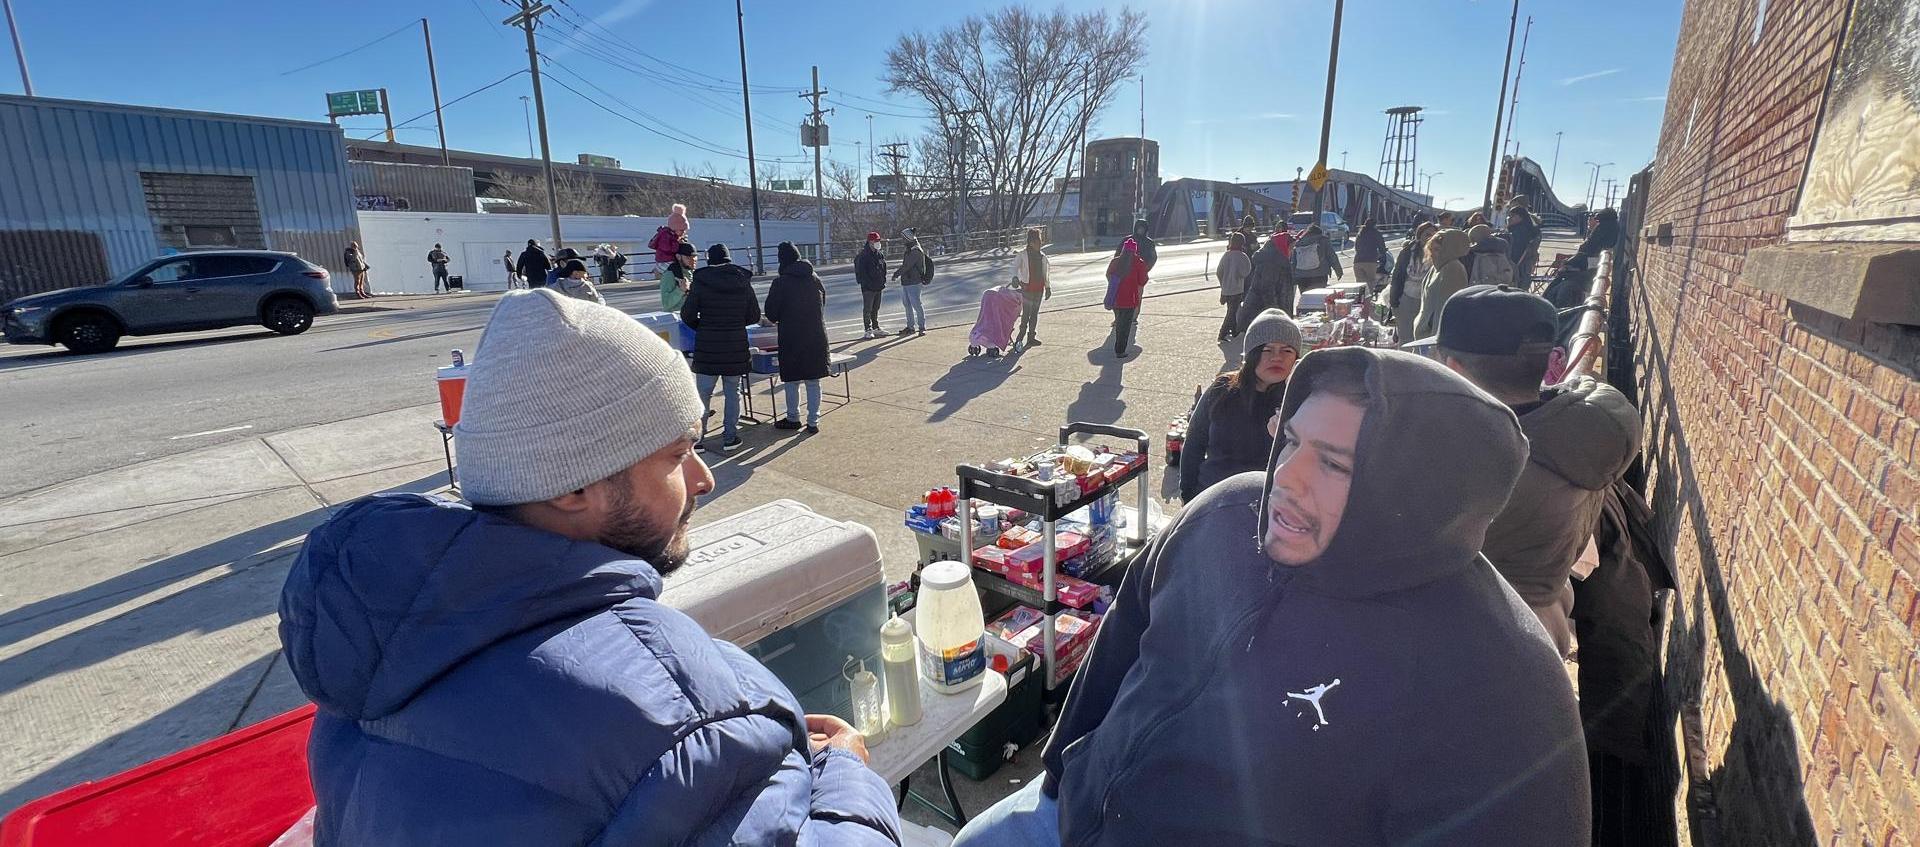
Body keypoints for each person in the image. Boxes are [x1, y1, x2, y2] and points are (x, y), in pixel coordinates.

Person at [281, 289, 902, 846]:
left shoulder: (367, 657)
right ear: (573, 485)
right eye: (677, 454)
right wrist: (846, 772)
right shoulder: (680, 721)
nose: (703, 478)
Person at [950, 346, 1589, 847]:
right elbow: (1121, 637)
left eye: (1334, 464)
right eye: (1292, 441)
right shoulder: (1224, 515)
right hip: (1064, 812)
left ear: (1417, 496)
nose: (1286, 477)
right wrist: (1063, 773)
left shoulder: (1498, 682)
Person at [1432, 285, 1641, 656]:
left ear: (1453, 368)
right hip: (1544, 626)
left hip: (1474, 642)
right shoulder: (1581, 432)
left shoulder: (1472, 465)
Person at [1179, 309, 1299, 502]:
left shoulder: (1298, 400)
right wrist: (1189, 497)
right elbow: (1194, 444)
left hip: (1267, 504)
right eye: (1267, 349)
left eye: (1287, 350)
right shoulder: (1223, 388)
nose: (1277, 357)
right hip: (1211, 498)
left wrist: (1286, 437)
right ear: (1251, 354)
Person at [682, 244, 760, 453]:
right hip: (735, 346)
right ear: (728, 259)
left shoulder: (701, 281)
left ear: (709, 260)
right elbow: (754, 315)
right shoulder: (742, 280)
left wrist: (703, 327)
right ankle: (730, 438)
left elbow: (687, 315)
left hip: (707, 347)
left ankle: (698, 440)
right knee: (733, 392)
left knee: (703, 395)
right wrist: (735, 324)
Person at [764, 242, 829, 434]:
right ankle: (813, 421)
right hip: (816, 336)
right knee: (813, 380)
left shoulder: (780, 282)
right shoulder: (814, 278)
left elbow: (771, 313)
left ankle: (793, 418)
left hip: (791, 336)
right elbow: (823, 303)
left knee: (792, 380)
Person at [1410, 227, 1470, 340]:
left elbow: (1445, 311)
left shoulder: (1453, 270)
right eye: (1431, 249)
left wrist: (1436, 342)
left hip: (1433, 338)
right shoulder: (1436, 268)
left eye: (1437, 249)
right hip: (1423, 335)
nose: (1432, 254)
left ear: (1450, 250)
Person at [1235, 226, 1295, 335]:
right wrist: (1277, 315)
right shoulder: (1271, 263)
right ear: (1282, 246)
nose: (1291, 251)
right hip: (1261, 316)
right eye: (1291, 248)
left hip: (1267, 316)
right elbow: (1268, 291)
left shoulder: (1279, 261)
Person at [1386, 221, 1437, 340]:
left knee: (1422, 337)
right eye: (1427, 234)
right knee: (1406, 336)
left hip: (1427, 301)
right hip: (1406, 298)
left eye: (1433, 235)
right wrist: (1394, 301)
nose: (1430, 238)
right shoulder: (1408, 251)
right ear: (1419, 235)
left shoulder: (1438, 253)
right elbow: (1397, 276)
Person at [1104, 237, 1148, 358]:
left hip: (1116, 298)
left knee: (1119, 323)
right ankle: (1120, 350)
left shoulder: (1115, 261)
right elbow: (1143, 280)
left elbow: (1108, 275)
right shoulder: (1139, 262)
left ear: (1123, 249)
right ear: (1135, 250)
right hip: (1130, 299)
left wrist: (1115, 283)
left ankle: (1118, 347)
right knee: (1125, 326)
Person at [1011, 227, 1050, 350]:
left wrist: (1048, 287)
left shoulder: (1042, 256)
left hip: (1039, 289)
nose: (1040, 244)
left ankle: (1031, 337)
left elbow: (1045, 273)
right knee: (1026, 314)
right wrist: (1015, 278)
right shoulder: (1022, 255)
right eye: (1038, 242)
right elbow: (1014, 267)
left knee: (1034, 314)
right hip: (1027, 289)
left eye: (1040, 241)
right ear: (1031, 243)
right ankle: (1020, 338)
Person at [1214, 232, 1252, 343]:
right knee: (1232, 312)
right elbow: (1246, 272)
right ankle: (1222, 333)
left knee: (1231, 310)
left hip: (1226, 289)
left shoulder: (1226, 255)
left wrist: (1223, 283)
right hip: (1237, 288)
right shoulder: (1242, 256)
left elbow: (1219, 271)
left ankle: (1234, 330)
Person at [892, 233, 930, 335]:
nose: (903, 241)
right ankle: (910, 327)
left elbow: (906, 266)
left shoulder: (915, 251)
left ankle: (922, 327)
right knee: (907, 304)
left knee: (916, 304)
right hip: (907, 281)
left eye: (904, 239)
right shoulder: (910, 250)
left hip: (914, 282)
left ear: (909, 239)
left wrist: (896, 274)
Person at [1289, 223, 1344, 292]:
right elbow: (1332, 256)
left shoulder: (1299, 242)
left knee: (1305, 296)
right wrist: (1338, 271)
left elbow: (1293, 261)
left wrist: (1293, 276)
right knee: (1318, 296)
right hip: (1319, 275)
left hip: (1301, 275)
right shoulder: (1323, 240)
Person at [854, 232, 888, 339]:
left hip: (878, 286)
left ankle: (875, 327)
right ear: (870, 242)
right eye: (876, 240)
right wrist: (867, 283)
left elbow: (884, 268)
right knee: (868, 309)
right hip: (868, 287)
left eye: (878, 240)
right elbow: (861, 272)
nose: (878, 242)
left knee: (876, 308)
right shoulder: (863, 256)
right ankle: (867, 329)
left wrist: (882, 281)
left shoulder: (879, 254)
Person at [1507, 198, 1543, 284]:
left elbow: (1515, 252)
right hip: (1525, 267)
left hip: (1516, 268)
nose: (1509, 218)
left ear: (1521, 217)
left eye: (1512, 216)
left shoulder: (1519, 232)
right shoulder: (1529, 229)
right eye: (1509, 216)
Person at [659, 240, 697, 312]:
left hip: (691, 314)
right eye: (688, 257)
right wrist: (681, 290)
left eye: (694, 256)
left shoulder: (693, 273)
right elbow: (666, 304)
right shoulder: (670, 275)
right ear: (678, 257)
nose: (693, 260)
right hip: (676, 316)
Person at [1352, 219, 1387, 291]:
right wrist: (1382, 255)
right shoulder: (1376, 233)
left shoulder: (1360, 233)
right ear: (1374, 225)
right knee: (1370, 283)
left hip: (1357, 261)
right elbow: (1381, 247)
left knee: (1360, 284)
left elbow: (1356, 247)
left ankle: (1361, 297)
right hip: (1370, 261)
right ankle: (1369, 297)